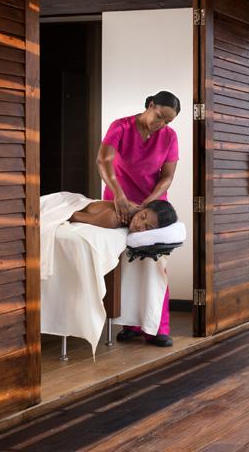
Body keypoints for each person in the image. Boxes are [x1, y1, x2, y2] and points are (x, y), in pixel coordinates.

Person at [97, 90, 180, 347]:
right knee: (124, 262)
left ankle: (157, 328)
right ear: (151, 105)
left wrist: (150, 202)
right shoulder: (121, 127)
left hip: (152, 206)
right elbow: (103, 161)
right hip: (119, 202)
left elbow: (167, 176)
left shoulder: (169, 136)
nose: (161, 124)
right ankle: (130, 325)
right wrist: (119, 195)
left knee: (155, 263)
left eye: (167, 121)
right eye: (160, 116)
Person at [69, 198, 178, 233]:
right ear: (143, 208)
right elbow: (72, 215)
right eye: (142, 216)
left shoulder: (133, 211)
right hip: (70, 204)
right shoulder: (114, 219)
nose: (139, 224)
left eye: (147, 227)